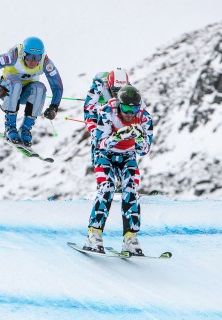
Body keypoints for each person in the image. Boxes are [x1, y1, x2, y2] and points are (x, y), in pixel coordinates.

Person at [83, 85, 153, 256]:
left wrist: (138, 138)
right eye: (126, 108)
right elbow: (100, 142)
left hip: (127, 156)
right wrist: (118, 136)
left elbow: (144, 150)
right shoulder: (107, 111)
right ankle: (94, 234)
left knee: (131, 189)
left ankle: (130, 238)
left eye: (134, 108)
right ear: (119, 105)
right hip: (105, 154)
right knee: (107, 187)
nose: (130, 113)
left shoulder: (144, 117)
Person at [0, 36, 63, 147]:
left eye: (37, 57)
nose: (33, 61)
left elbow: (57, 86)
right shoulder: (14, 56)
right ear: (23, 54)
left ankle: (25, 130)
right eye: (29, 56)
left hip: (25, 94)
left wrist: (54, 107)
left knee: (40, 87)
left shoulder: (45, 62)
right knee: (16, 84)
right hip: (7, 90)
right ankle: (10, 128)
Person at [83, 68, 130, 164]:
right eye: (115, 90)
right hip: (96, 113)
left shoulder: (128, 88)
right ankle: (97, 162)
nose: (118, 94)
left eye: (122, 91)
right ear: (109, 85)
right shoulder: (99, 85)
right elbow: (88, 109)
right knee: (97, 135)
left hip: (115, 112)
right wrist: (93, 128)